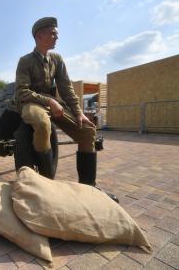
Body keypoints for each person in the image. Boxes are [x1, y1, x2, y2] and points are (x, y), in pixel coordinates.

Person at [15, 17, 117, 201]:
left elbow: (66, 88)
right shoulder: (25, 61)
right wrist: (49, 102)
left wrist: (78, 113)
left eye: (56, 34)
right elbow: (22, 91)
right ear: (39, 35)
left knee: (87, 131)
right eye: (53, 33)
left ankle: (89, 188)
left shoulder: (56, 59)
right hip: (30, 103)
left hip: (52, 103)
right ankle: (45, 184)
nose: (56, 37)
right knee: (42, 123)